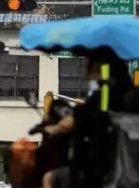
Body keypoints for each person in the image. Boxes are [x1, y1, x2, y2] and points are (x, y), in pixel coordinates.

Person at [39, 58, 110, 188]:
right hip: (116, 163)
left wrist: (53, 129)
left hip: (93, 165)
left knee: (48, 178)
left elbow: (71, 122)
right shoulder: (124, 95)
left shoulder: (99, 98)